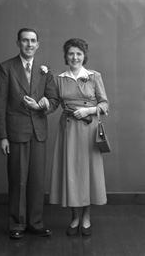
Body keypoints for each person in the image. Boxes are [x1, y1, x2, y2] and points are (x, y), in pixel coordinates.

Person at [0, 28, 59, 239]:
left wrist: (42, 107)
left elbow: (54, 101)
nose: (29, 44)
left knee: (37, 180)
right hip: (15, 132)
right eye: (25, 41)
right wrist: (2, 136)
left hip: (39, 132)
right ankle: (17, 225)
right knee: (18, 179)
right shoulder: (6, 68)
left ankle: (35, 223)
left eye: (33, 41)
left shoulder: (44, 70)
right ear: (18, 43)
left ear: (38, 44)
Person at [49, 38, 109, 236]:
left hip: (89, 130)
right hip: (68, 131)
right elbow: (53, 104)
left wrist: (89, 111)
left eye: (79, 54)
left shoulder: (94, 76)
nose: (75, 57)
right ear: (66, 56)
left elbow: (104, 105)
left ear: (84, 56)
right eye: (71, 54)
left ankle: (86, 217)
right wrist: (39, 105)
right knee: (72, 173)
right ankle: (75, 217)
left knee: (88, 173)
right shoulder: (58, 78)